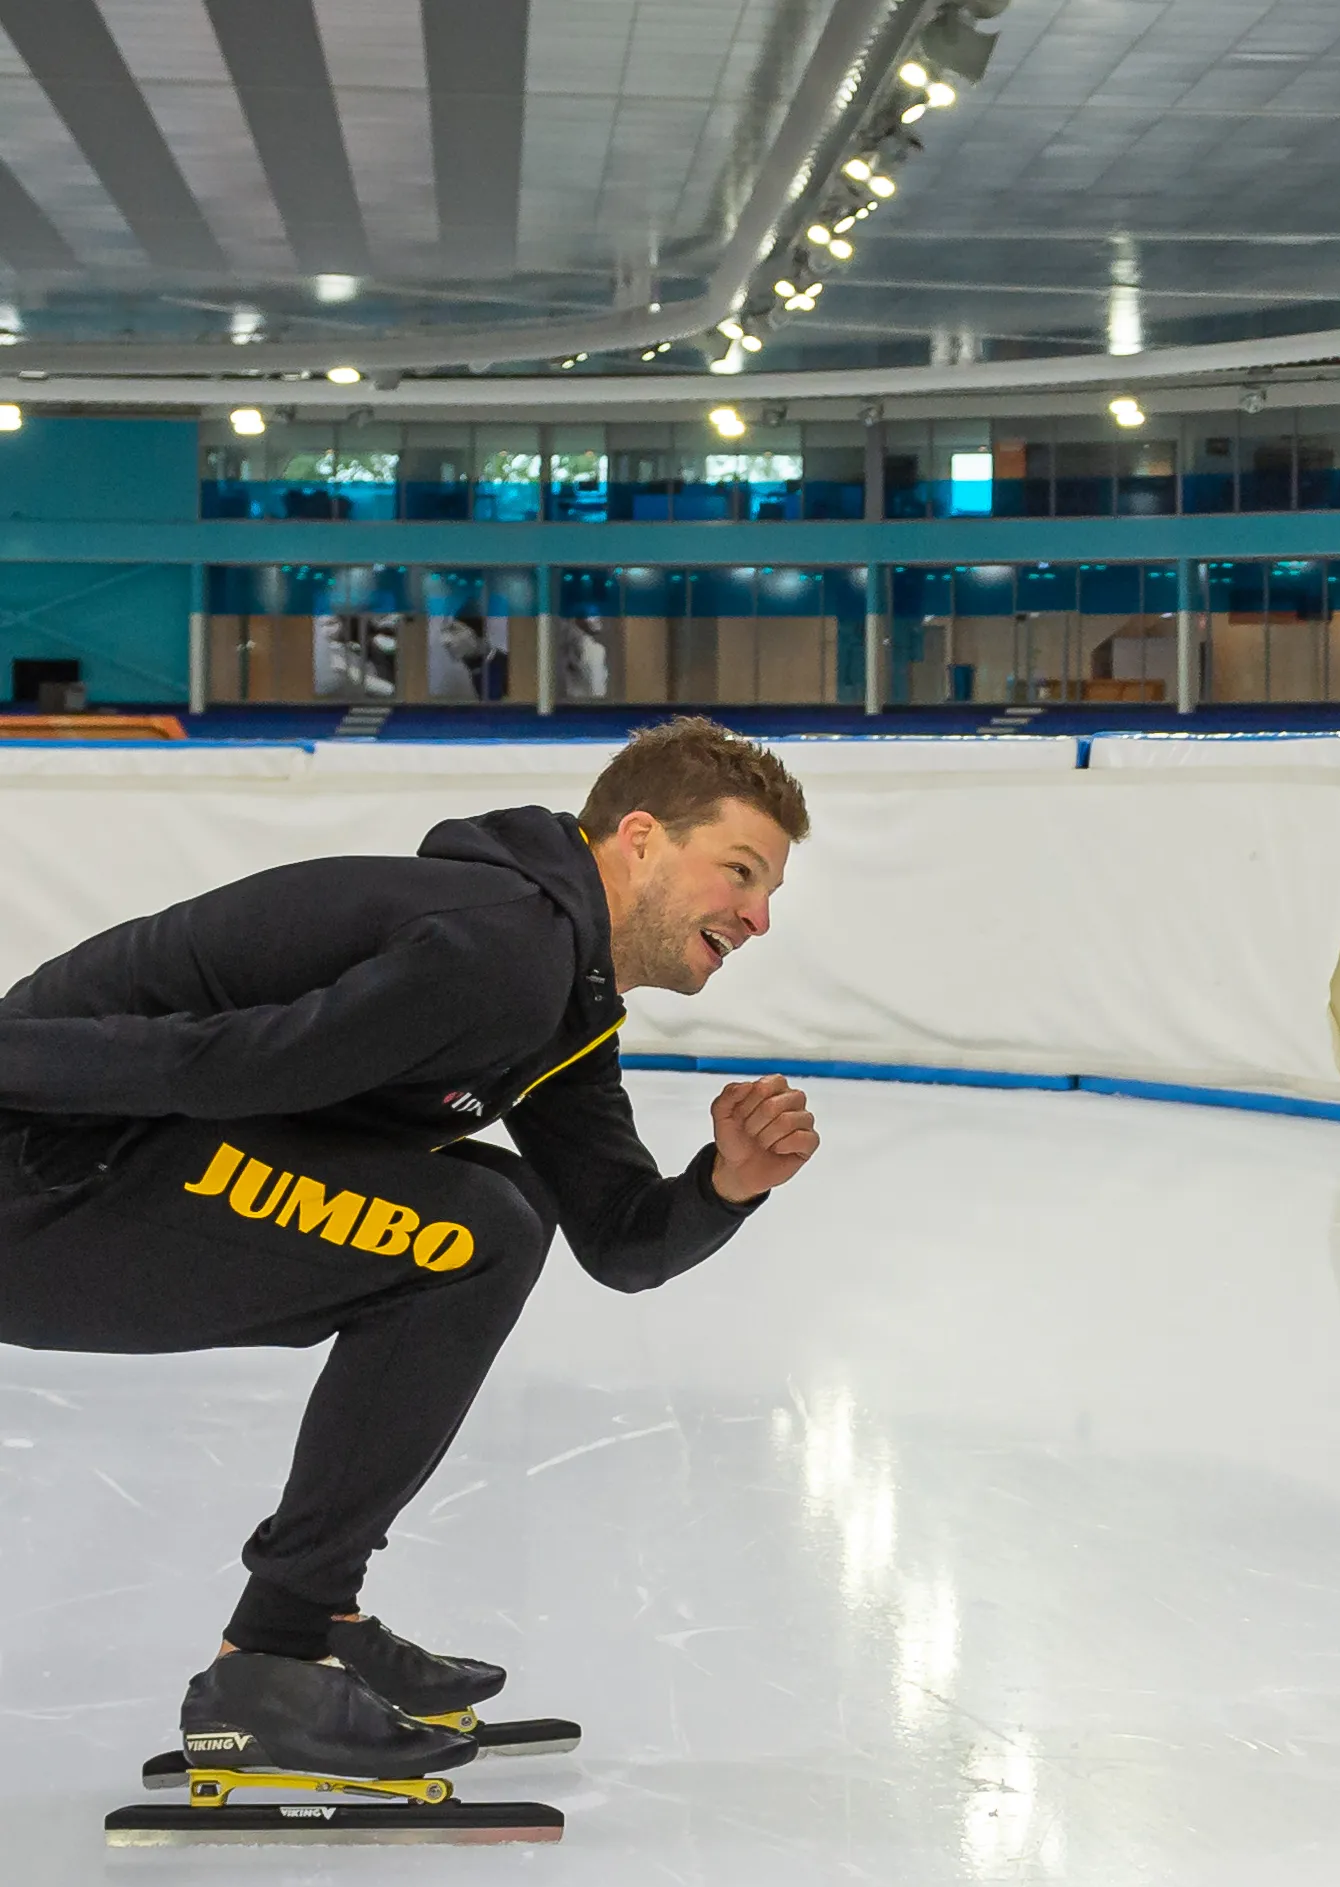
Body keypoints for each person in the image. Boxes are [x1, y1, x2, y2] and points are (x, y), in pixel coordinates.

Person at [0, 717, 824, 1789]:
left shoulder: (560, 992)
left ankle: (310, 1619)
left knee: (500, 1206)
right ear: (638, 839)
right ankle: (273, 1659)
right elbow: (232, 1068)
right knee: (477, 1231)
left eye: (770, 892)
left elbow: (620, 1240)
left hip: (103, 1165)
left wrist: (725, 1186)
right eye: (740, 872)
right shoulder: (503, 950)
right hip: (47, 1177)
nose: (759, 917)